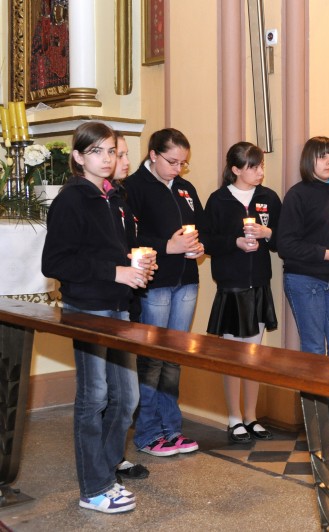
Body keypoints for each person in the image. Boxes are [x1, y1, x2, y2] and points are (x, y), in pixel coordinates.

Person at [42, 121, 156, 514]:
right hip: (88, 307)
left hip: (117, 306)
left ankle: (105, 472)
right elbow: (54, 261)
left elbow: (106, 249)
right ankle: (93, 488)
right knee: (94, 398)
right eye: (96, 152)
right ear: (77, 157)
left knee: (126, 396)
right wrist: (115, 272)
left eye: (111, 151)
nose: (106, 159)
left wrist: (133, 263)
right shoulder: (72, 199)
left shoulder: (112, 196)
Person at [124, 128, 204, 456]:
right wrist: (167, 246)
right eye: (172, 161)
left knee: (174, 358)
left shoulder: (185, 188)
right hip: (154, 283)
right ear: (153, 154)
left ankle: (172, 429)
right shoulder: (133, 188)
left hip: (186, 279)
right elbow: (129, 237)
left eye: (183, 164)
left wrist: (199, 246)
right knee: (153, 359)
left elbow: (203, 228)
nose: (178, 169)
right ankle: (147, 433)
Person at [203, 142, 282, 443]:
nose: (260, 171)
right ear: (236, 169)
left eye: (261, 165)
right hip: (232, 287)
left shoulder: (269, 198)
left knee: (254, 355)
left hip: (259, 285)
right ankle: (234, 417)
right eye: (253, 166)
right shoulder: (219, 200)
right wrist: (234, 242)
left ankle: (251, 416)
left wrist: (269, 234)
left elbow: (282, 239)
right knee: (233, 355)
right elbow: (208, 240)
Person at [277, 136, 329, 359]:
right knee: (314, 350)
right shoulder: (297, 194)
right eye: (322, 157)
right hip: (305, 279)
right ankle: (311, 396)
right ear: (308, 160)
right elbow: (286, 245)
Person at [110, 131, 150, 482]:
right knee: (105, 393)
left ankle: (115, 455)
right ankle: (104, 460)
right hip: (99, 305)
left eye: (123, 154)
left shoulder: (121, 197)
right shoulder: (90, 199)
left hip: (126, 303)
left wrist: (142, 259)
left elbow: (128, 243)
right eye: (119, 154)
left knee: (126, 391)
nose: (124, 161)